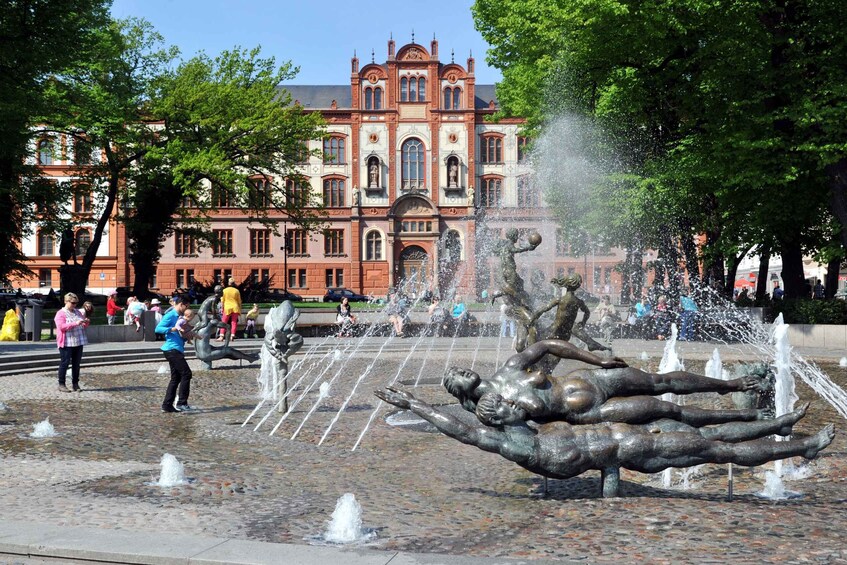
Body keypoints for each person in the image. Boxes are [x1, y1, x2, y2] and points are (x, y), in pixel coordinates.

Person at [376, 386, 834, 491]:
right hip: (634, 448)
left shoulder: (532, 432)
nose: (520, 405)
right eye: (511, 406)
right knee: (718, 449)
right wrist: (415, 405)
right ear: (502, 419)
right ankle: (803, 446)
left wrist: (608, 480)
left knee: (708, 435)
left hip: (623, 443)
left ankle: (779, 425)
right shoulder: (513, 444)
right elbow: (458, 429)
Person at [444, 339, 770, 427]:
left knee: (659, 380)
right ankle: (744, 418)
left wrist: (595, 359)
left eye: (458, 368)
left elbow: (547, 345)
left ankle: (729, 386)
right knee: (665, 409)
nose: (462, 371)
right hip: (591, 413)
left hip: (592, 378)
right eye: (455, 377)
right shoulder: (492, 410)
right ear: (459, 390)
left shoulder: (509, 370)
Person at [155, 295, 195, 413]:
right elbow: (158, 329)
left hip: (175, 349)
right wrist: (172, 329)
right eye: (186, 306)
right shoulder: (171, 315)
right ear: (181, 304)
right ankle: (182, 403)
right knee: (186, 373)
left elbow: (180, 333)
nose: (187, 309)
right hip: (172, 349)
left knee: (176, 378)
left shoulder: (180, 317)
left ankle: (167, 405)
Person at [54, 292, 90, 392]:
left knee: (76, 364)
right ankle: (61, 384)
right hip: (66, 342)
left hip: (78, 341)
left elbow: (82, 324)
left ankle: (75, 384)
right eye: (73, 303)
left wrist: (86, 322)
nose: (75, 305)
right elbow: (61, 327)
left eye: (76, 303)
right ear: (66, 301)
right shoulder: (60, 313)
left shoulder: (77, 312)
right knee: (64, 363)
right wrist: (75, 323)